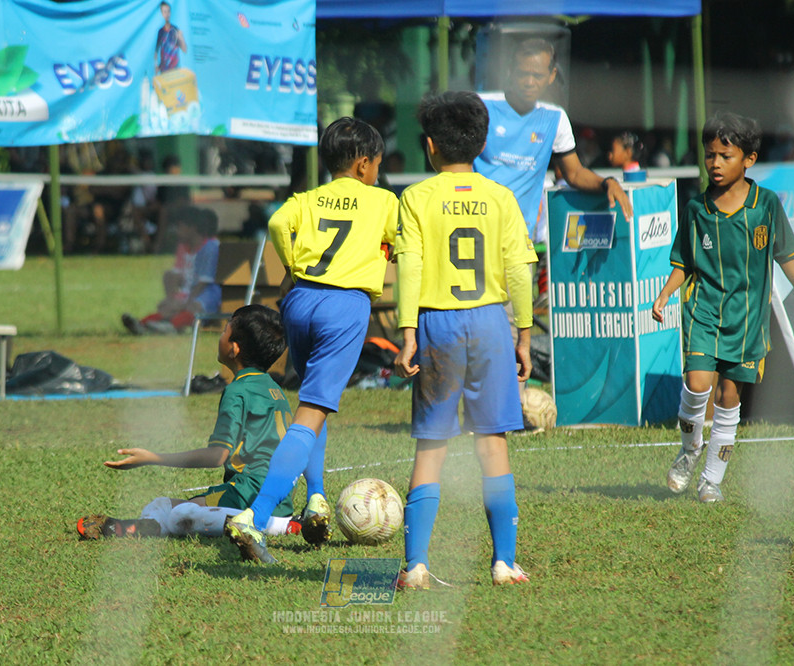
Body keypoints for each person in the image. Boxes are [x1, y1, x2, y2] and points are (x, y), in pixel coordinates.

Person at [223, 117, 398, 563]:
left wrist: (292, 266)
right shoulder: (381, 200)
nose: (377, 172)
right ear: (363, 165)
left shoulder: (306, 199)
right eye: (377, 164)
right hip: (344, 307)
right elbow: (399, 242)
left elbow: (279, 225)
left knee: (311, 406)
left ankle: (317, 497)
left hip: (300, 300)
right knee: (312, 412)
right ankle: (255, 517)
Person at [392, 92, 537, 588]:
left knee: (431, 447)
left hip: (437, 323)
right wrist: (524, 333)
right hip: (490, 323)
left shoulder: (415, 198)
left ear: (430, 146)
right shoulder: (500, 196)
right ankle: (503, 562)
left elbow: (409, 266)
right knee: (491, 444)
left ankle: (414, 565)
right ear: (482, 143)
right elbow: (520, 267)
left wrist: (408, 332)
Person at [652, 112, 794, 503]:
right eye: (710, 156)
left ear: (749, 160)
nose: (715, 164)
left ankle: (712, 479)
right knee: (697, 384)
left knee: (728, 397)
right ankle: (690, 450)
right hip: (704, 311)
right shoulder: (697, 211)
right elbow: (683, 262)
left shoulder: (766, 206)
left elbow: (785, 253)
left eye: (725, 156)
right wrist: (665, 293)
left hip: (748, 321)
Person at [78, 305, 300, 539]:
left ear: (234, 348)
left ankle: (277, 527)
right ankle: (142, 527)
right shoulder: (274, 388)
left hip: (248, 491)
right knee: (170, 506)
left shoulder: (238, 391)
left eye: (224, 331)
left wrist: (153, 458)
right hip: (281, 496)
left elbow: (217, 456)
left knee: (178, 513)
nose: (220, 336)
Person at [475, 38, 633, 245]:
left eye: (537, 75)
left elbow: (575, 173)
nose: (529, 81)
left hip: (519, 241)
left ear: (552, 76)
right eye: (523, 73)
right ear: (510, 72)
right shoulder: (480, 107)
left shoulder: (555, 118)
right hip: (476, 234)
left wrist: (607, 183)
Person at [121, 206, 220, 335]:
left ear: (193, 228)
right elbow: (175, 275)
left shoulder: (209, 247)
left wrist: (185, 302)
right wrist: (172, 298)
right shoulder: (183, 247)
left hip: (206, 295)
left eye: (180, 227)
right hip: (190, 291)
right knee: (167, 306)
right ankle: (142, 324)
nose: (177, 231)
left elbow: (203, 283)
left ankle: (169, 326)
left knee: (193, 307)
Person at [155, 1, 186, 74]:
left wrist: (181, 38)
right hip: (164, 71)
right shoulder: (160, 32)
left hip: (175, 70)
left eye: (168, 11)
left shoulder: (175, 29)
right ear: (161, 13)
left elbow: (184, 49)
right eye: (164, 12)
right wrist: (157, 66)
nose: (167, 14)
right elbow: (156, 52)